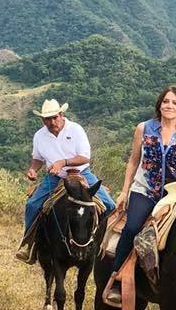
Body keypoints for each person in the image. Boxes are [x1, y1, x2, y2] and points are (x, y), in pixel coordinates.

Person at [106, 86, 176, 303]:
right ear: (159, 105)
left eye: (175, 103)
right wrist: (124, 191)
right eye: (166, 101)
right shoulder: (144, 128)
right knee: (131, 228)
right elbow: (133, 161)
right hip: (145, 190)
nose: (169, 105)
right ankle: (118, 279)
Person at [15, 99, 115, 262]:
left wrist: (63, 162)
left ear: (61, 114)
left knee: (109, 205)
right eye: (48, 119)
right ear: (42, 119)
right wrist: (33, 169)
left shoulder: (75, 130)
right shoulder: (39, 136)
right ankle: (29, 244)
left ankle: (103, 244)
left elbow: (84, 157)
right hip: (55, 177)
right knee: (32, 205)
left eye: (55, 117)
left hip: (81, 173)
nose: (52, 121)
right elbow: (37, 158)